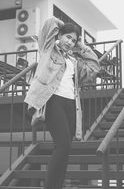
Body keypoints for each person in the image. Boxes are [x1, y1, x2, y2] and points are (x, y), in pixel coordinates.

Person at [24, 17, 100, 189]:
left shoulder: (74, 61)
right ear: (60, 35)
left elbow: (94, 66)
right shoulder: (48, 48)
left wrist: (81, 45)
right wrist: (65, 28)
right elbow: (50, 22)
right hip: (53, 100)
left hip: (72, 104)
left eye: (74, 40)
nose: (70, 42)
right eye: (68, 38)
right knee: (63, 145)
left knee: (65, 149)